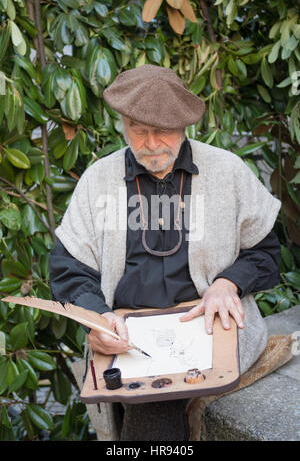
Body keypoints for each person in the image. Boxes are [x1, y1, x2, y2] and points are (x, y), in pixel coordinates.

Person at [50, 64, 281, 441]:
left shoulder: (227, 171)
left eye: (164, 131)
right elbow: (68, 268)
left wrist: (227, 283)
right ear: (123, 124)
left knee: (155, 403)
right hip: (126, 329)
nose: (152, 144)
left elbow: (268, 252)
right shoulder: (98, 180)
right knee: (147, 395)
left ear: (185, 125)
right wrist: (98, 318)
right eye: (138, 131)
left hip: (207, 324)